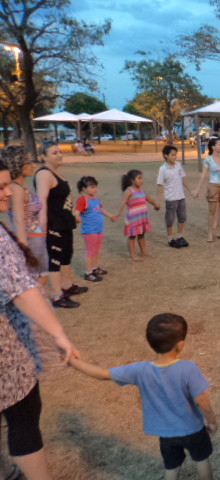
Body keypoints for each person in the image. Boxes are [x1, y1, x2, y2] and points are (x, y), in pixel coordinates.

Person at [0, 159, 79, 480]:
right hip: (6, 353)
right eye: (1, 187)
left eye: (7, 184)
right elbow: (21, 290)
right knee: (23, 413)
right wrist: (59, 334)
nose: (8, 193)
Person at [69, 313, 217, 480]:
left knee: (172, 466)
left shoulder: (141, 370)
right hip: (193, 430)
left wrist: (73, 362)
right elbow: (201, 400)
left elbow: (103, 374)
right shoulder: (188, 368)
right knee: (201, 459)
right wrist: (211, 421)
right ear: (181, 344)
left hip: (166, 434)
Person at [34, 142, 88, 309]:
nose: (59, 155)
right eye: (54, 153)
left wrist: (73, 216)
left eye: (59, 152)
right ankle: (58, 296)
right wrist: (43, 225)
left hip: (64, 223)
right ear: (44, 156)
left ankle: (67, 286)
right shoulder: (44, 174)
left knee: (66, 255)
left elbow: (63, 201)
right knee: (55, 260)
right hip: (53, 225)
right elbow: (41, 201)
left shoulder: (56, 172)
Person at [5, 146, 49, 290]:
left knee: (41, 279)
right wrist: (24, 250)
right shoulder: (16, 189)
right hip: (31, 241)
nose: (33, 165)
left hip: (37, 239)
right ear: (18, 164)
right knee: (35, 282)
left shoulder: (21, 186)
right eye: (29, 162)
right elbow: (19, 221)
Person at [75, 176, 116, 282]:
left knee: (96, 250)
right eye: (92, 187)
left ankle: (95, 268)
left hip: (99, 230)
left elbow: (102, 210)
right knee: (91, 251)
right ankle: (88, 273)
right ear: (84, 189)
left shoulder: (96, 200)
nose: (95, 189)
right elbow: (76, 212)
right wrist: (77, 217)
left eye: (95, 187)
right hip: (89, 231)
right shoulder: (83, 200)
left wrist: (111, 216)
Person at [114, 170, 160, 261]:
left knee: (142, 235)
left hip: (142, 217)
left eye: (141, 178)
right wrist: (117, 214)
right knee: (132, 236)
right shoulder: (129, 191)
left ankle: (144, 252)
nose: (141, 180)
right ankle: (133, 255)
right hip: (133, 218)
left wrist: (156, 205)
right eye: (139, 178)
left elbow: (148, 199)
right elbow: (123, 202)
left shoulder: (142, 190)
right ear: (132, 180)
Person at [156, 145, 193, 249]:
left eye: (175, 155)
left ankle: (180, 236)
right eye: (172, 155)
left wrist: (191, 191)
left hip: (181, 197)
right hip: (171, 198)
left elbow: (183, 180)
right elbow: (160, 185)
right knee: (170, 219)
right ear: (165, 155)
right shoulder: (163, 169)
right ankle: (170, 239)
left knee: (182, 218)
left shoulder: (178, 165)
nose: (175, 157)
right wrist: (158, 201)